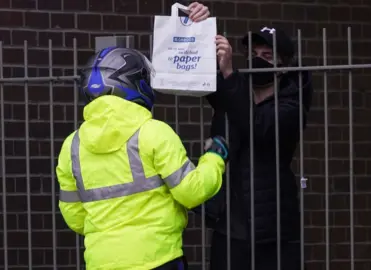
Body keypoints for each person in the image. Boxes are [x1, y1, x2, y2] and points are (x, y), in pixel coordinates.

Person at [55, 5, 227, 269]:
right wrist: (214, 157)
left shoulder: (72, 146)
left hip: (101, 262)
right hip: (158, 259)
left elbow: (75, 218)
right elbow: (192, 192)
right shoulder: (153, 132)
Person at [196, 26, 313, 269]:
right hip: (230, 225)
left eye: (267, 56)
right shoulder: (234, 91)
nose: (258, 60)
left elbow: (259, 126)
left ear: (282, 65)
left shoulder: (291, 103)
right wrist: (200, 22)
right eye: (254, 54)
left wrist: (230, 75)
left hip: (273, 227)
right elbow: (200, 77)